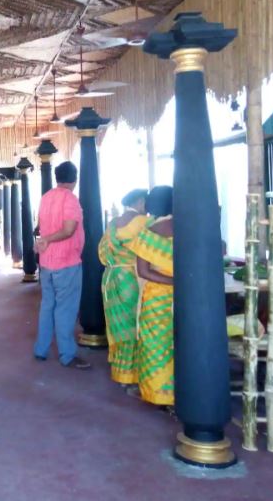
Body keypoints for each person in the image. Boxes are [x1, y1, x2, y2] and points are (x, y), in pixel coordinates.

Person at [33, 161, 90, 369]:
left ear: (57, 178)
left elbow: (41, 226)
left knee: (48, 306)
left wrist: (45, 240)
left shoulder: (46, 197)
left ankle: (41, 349)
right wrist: (48, 239)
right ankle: (67, 355)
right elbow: (68, 230)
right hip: (66, 261)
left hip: (47, 262)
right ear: (75, 179)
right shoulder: (70, 199)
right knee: (65, 309)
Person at [98, 188, 149, 386]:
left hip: (111, 277)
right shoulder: (143, 222)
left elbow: (102, 252)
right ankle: (133, 373)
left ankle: (121, 372)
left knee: (117, 324)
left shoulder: (113, 223)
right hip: (131, 277)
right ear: (140, 202)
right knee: (134, 323)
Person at [132, 186, 174, 407]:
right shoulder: (188, 227)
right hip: (184, 297)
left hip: (157, 296)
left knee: (155, 344)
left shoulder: (148, 232)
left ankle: (158, 394)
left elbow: (144, 272)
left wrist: (172, 282)